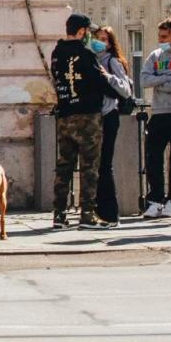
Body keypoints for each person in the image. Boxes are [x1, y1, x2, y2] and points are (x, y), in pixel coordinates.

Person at [50, 14, 124, 230]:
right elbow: (99, 81)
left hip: (65, 114)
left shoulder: (57, 52)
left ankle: (59, 214)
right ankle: (87, 214)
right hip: (87, 115)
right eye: (88, 32)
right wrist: (119, 93)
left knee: (64, 165)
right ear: (82, 31)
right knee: (90, 167)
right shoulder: (86, 53)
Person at [140, 18, 171, 218]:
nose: (161, 40)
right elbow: (144, 79)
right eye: (159, 37)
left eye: (165, 37)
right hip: (159, 112)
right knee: (153, 158)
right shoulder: (156, 55)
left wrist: (159, 81)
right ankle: (155, 199)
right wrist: (167, 78)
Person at [92, 26, 134, 224]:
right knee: (94, 164)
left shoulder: (112, 61)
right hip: (94, 116)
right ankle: (97, 209)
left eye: (104, 40)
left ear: (110, 43)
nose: (100, 43)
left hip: (109, 115)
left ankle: (110, 212)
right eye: (97, 39)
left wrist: (106, 76)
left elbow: (125, 89)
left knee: (104, 164)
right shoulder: (91, 59)